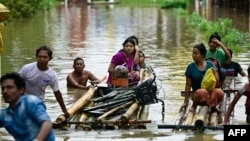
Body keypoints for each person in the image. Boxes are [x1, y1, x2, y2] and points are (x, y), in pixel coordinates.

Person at [0, 72, 55, 141]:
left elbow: (47, 123)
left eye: (9, 87)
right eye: (3, 88)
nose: (5, 91)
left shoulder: (30, 102)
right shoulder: (4, 115)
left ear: (21, 90)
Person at [18, 45, 70, 118]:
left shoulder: (52, 75)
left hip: (39, 102)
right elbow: (15, 84)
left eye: (45, 57)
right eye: (40, 56)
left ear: (50, 58)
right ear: (36, 57)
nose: (42, 59)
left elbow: (57, 93)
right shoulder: (27, 69)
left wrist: (65, 111)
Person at [179, 43, 224, 113]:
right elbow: (188, 86)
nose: (193, 55)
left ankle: (213, 106)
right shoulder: (190, 67)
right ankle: (194, 106)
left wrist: (214, 73)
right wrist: (185, 102)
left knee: (220, 92)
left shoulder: (210, 64)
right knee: (202, 92)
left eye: (196, 54)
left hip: (210, 94)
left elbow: (217, 82)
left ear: (202, 55)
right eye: (193, 53)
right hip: (198, 95)